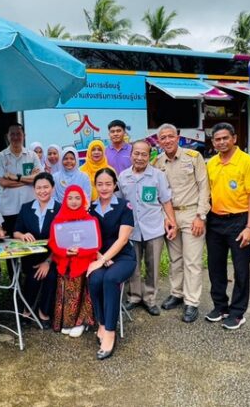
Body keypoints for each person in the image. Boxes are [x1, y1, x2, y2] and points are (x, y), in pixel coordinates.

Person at [205, 122, 250, 330]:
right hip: (215, 221)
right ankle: (220, 306)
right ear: (213, 142)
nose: (221, 142)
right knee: (215, 266)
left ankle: (237, 312)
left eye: (225, 138)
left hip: (240, 221)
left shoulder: (247, 161)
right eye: (217, 139)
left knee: (241, 269)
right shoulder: (211, 163)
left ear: (234, 139)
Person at [154, 124, 210, 323]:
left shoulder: (193, 157)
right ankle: (177, 293)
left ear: (178, 137)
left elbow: (204, 187)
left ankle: (192, 302)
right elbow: (158, 193)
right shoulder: (157, 162)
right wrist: (165, 218)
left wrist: (201, 216)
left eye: (171, 136)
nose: (167, 140)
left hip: (191, 214)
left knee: (192, 260)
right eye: (163, 138)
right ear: (159, 141)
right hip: (170, 216)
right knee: (175, 259)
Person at [118, 140, 176, 316]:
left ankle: (150, 299)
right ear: (131, 155)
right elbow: (119, 202)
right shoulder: (123, 177)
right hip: (131, 230)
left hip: (154, 229)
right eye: (136, 153)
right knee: (133, 265)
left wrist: (172, 222)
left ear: (149, 156)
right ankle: (134, 297)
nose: (140, 157)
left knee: (153, 266)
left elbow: (166, 200)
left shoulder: (158, 176)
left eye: (144, 154)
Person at [87, 168, 137, 360]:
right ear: (95, 185)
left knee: (110, 279)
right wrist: (100, 258)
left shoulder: (125, 206)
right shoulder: (90, 208)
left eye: (108, 184)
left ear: (115, 185)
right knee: (95, 279)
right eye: (100, 184)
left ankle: (110, 332)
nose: (104, 188)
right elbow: (87, 237)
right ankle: (101, 323)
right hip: (100, 256)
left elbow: (122, 240)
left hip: (123, 257)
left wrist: (102, 260)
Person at [48, 185, 99, 337]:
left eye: (77, 198)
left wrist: (80, 252)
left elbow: (96, 244)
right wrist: (65, 252)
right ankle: (66, 322)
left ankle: (80, 322)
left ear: (83, 200)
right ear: (65, 200)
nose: (74, 201)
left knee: (79, 292)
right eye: (70, 198)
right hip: (65, 262)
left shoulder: (90, 220)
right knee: (65, 293)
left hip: (83, 263)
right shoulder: (58, 219)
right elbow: (52, 242)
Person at [13, 172, 61, 328]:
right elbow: (16, 231)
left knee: (51, 276)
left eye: (46, 187)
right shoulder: (26, 208)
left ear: (53, 188)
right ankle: (27, 310)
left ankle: (43, 312)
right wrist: (23, 235)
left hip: (53, 255)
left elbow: (62, 240)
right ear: (34, 189)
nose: (42, 191)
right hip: (31, 256)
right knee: (33, 276)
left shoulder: (60, 209)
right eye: (39, 188)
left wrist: (48, 261)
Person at [0, 123, 42, 236]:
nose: (15, 137)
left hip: (31, 207)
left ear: (24, 135)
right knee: (11, 242)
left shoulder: (32, 156)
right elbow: (3, 182)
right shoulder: (0, 157)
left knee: (33, 240)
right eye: (12, 134)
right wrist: (28, 180)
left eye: (18, 134)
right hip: (9, 210)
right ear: (7, 136)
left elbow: (39, 178)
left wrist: (16, 177)